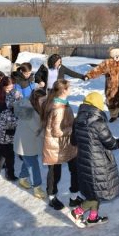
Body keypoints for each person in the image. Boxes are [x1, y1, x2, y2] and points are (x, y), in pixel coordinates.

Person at [68, 92, 119, 228]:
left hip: (83, 161)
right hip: (98, 163)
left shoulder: (78, 120)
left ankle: (93, 218)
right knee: (96, 192)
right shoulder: (99, 123)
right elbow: (111, 144)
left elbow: (73, 141)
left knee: (95, 191)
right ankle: (77, 212)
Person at [40, 79, 82, 210]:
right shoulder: (58, 108)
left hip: (67, 144)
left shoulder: (62, 102)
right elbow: (57, 131)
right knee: (54, 172)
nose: (71, 89)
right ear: (64, 90)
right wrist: (72, 128)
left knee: (75, 169)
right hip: (56, 145)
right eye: (69, 87)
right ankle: (52, 197)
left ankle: (74, 197)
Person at [85, 47, 119, 122]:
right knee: (110, 102)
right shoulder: (107, 63)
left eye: (118, 55)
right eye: (115, 55)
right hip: (110, 88)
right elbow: (98, 69)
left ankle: (116, 113)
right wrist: (89, 75)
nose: (116, 57)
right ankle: (114, 115)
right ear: (112, 55)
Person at [13, 88, 47, 199]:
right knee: (33, 165)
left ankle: (22, 178)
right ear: (36, 99)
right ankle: (37, 187)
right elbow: (38, 129)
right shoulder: (29, 112)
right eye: (42, 100)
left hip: (30, 142)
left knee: (29, 161)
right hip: (25, 143)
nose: (44, 102)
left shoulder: (34, 106)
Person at [0, 76, 21, 182]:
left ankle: (5, 173)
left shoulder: (11, 104)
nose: (10, 89)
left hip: (7, 133)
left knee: (7, 154)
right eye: (8, 88)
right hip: (2, 133)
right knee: (6, 154)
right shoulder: (5, 107)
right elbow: (10, 121)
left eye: (12, 87)